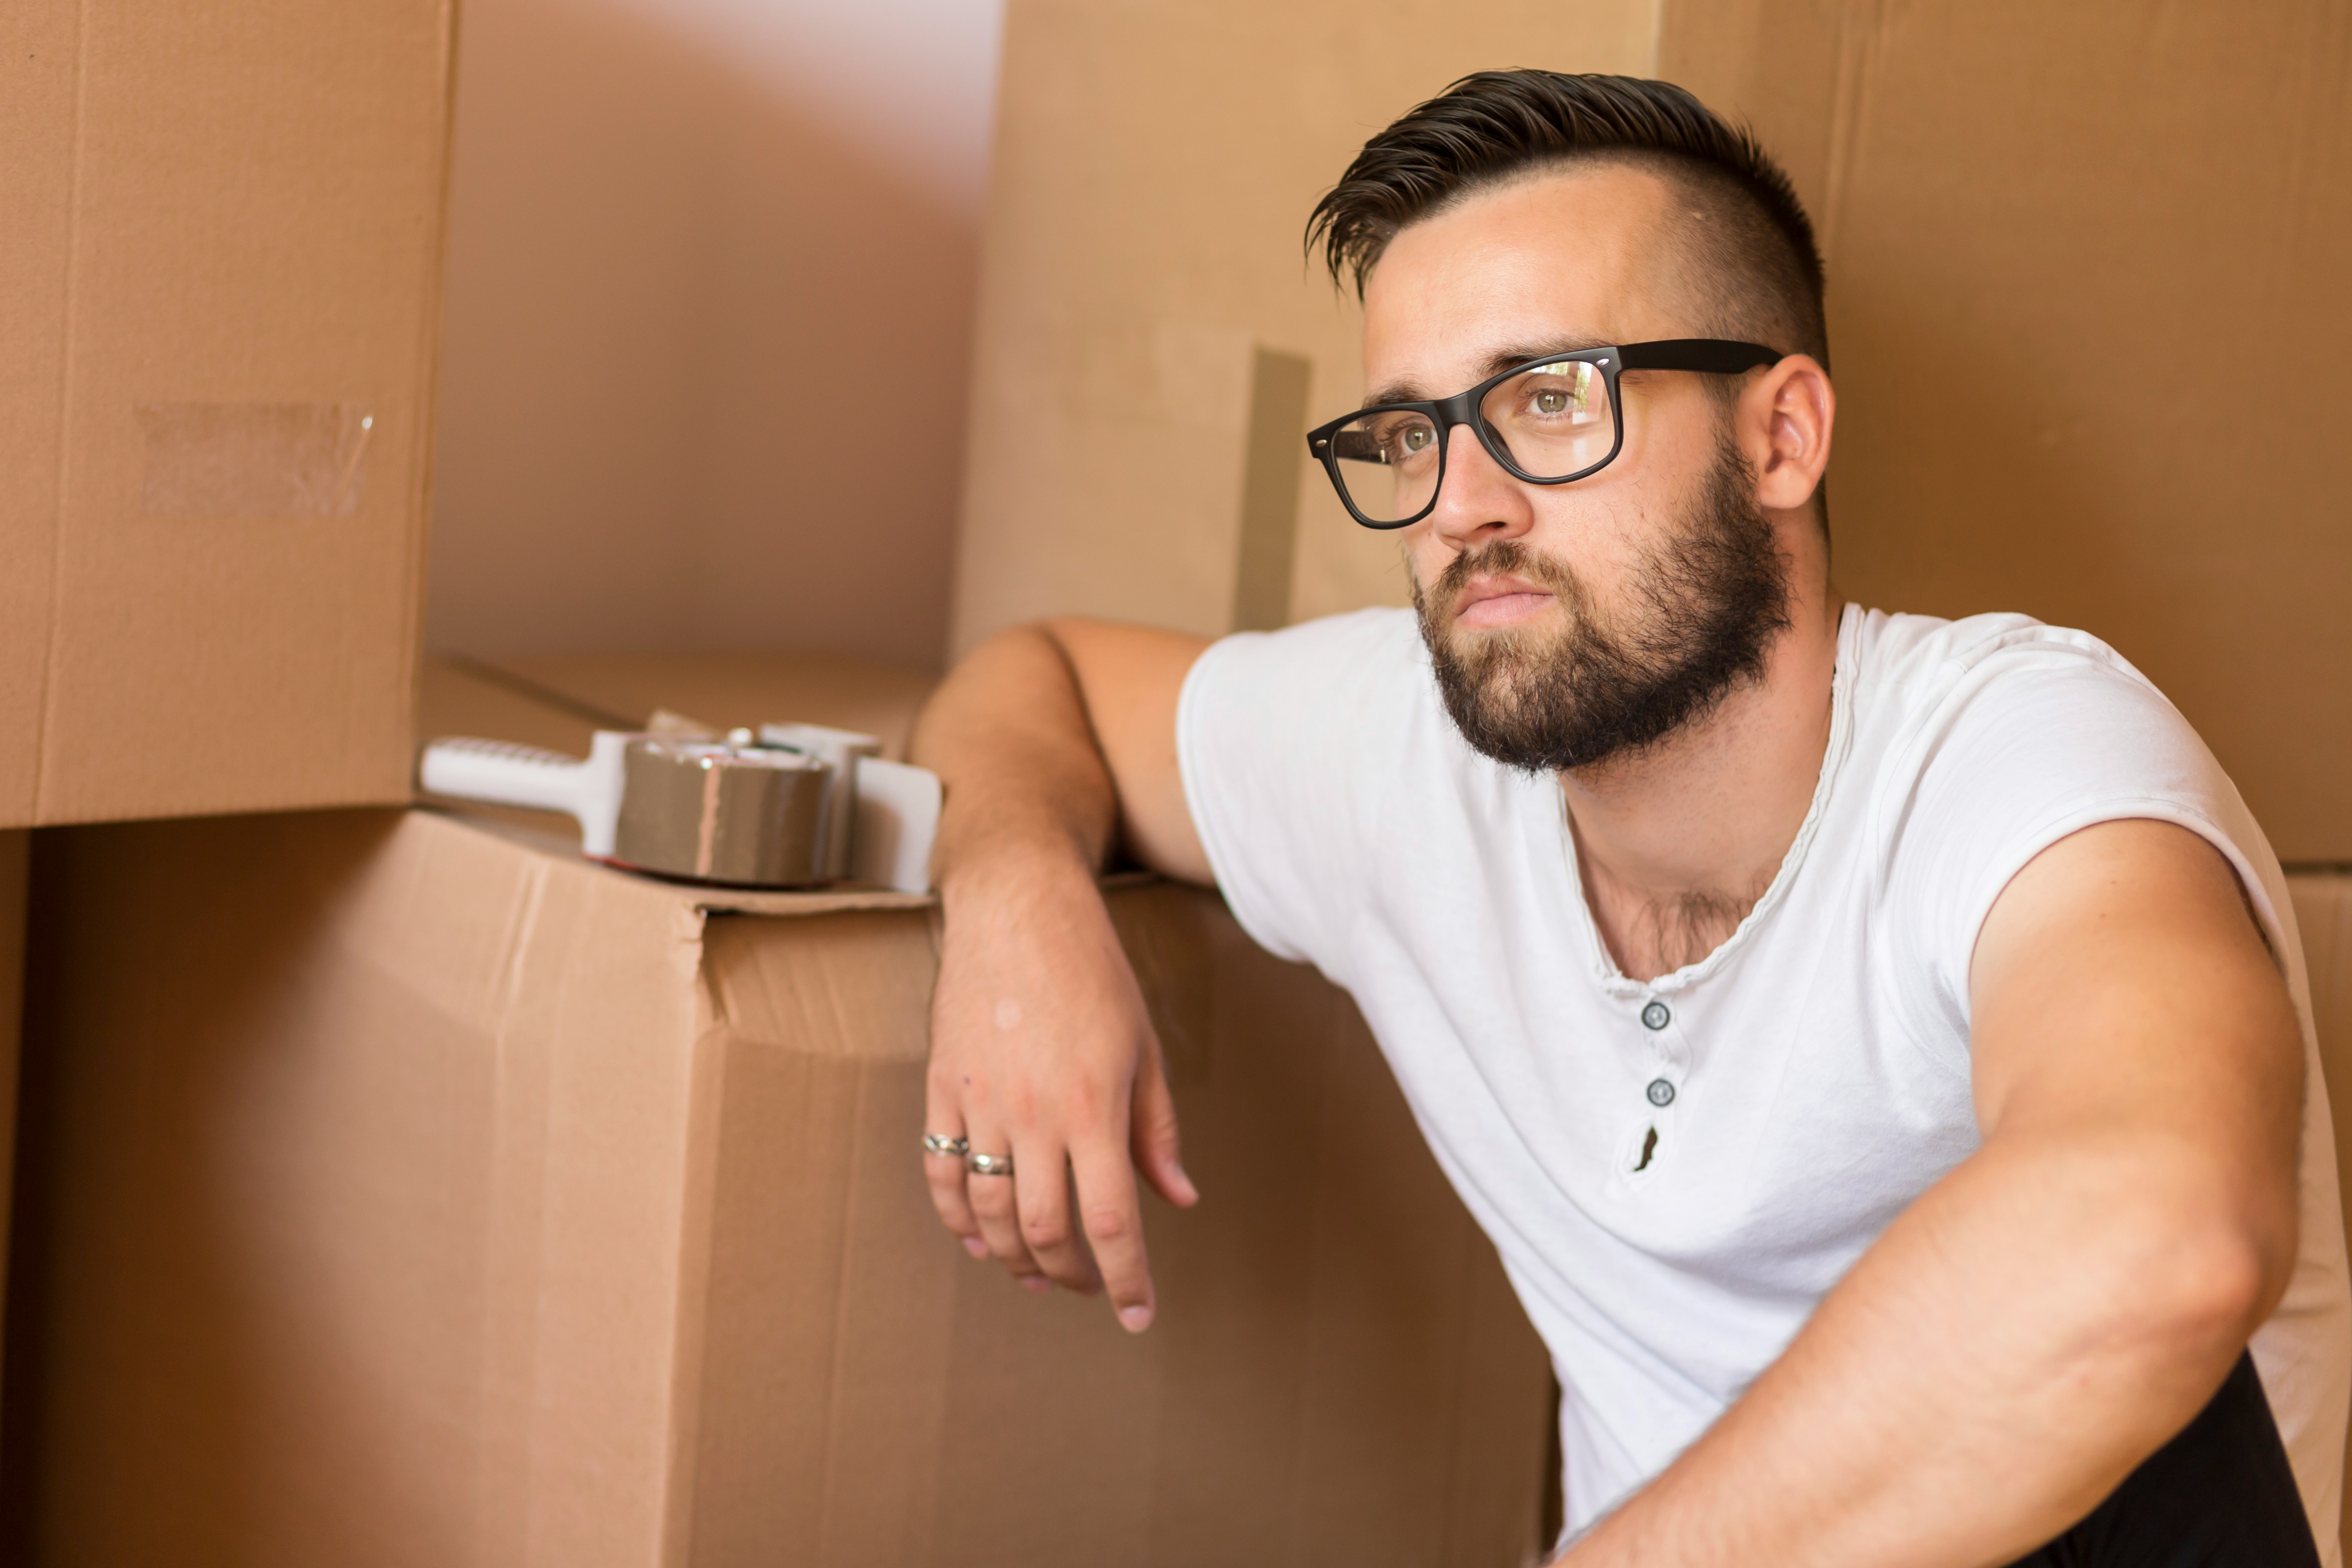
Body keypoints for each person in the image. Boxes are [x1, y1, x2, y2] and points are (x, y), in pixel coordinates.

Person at [907, 70, 2349, 1565]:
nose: (1461, 503)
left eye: (1546, 400)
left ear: (1783, 437)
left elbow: (2161, 1236)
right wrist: (1017, 908)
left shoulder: (2015, 753)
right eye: (1411, 435)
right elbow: (1041, 677)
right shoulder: (1407, 756)